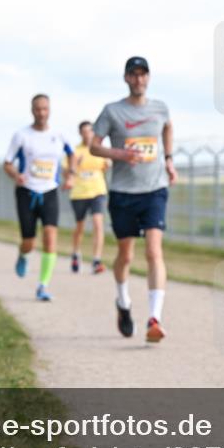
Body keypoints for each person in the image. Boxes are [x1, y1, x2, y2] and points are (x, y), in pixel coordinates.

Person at [90, 57, 177, 342]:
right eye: (133, 75)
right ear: (126, 78)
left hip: (154, 189)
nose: (139, 79)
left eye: (143, 74)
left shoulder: (160, 108)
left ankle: (155, 318)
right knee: (126, 254)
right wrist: (120, 155)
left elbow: (167, 127)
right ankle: (123, 301)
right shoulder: (112, 111)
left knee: (153, 251)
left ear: (148, 78)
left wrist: (168, 159)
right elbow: (93, 146)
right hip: (123, 192)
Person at [3, 94, 75, 301]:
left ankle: (43, 285)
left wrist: (70, 175)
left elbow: (72, 155)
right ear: (32, 110)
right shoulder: (21, 136)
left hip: (50, 191)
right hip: (27, 191)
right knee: (29, 241)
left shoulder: (60, 134)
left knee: (51, 237)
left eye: (45, 109)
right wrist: (16, 175)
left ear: (50, 110)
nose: (41, 113)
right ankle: (23, 254)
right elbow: (7, 163)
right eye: (37, 109)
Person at [67, 121, 110, 274]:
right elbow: (67, 173)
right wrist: (74, 167)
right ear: (80, 133)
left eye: (90, 131)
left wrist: (108, 163)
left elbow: (106, 166)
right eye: (84, 131)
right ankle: (76, 253)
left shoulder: (99, 149)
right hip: (79, 193)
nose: (87, 134)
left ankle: (96, 260)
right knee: (80, 227)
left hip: (98, 191)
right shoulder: (75, 151)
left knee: (98, 223)